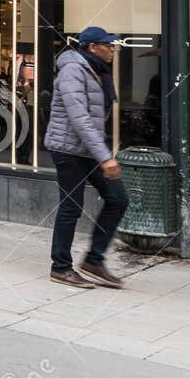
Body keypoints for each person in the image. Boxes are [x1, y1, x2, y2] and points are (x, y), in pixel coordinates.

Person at [44, 27, 129, 290]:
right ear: (92, 47)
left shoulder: (97, 71)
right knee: (71, 207)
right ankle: (60, 267)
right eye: (109, 45)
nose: (113, 49)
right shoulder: (73, 70)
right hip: (68, 149)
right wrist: (105, 157)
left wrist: (101, 153)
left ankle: (94, 260)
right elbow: (79, 118)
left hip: (88, 149)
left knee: (118, 199)